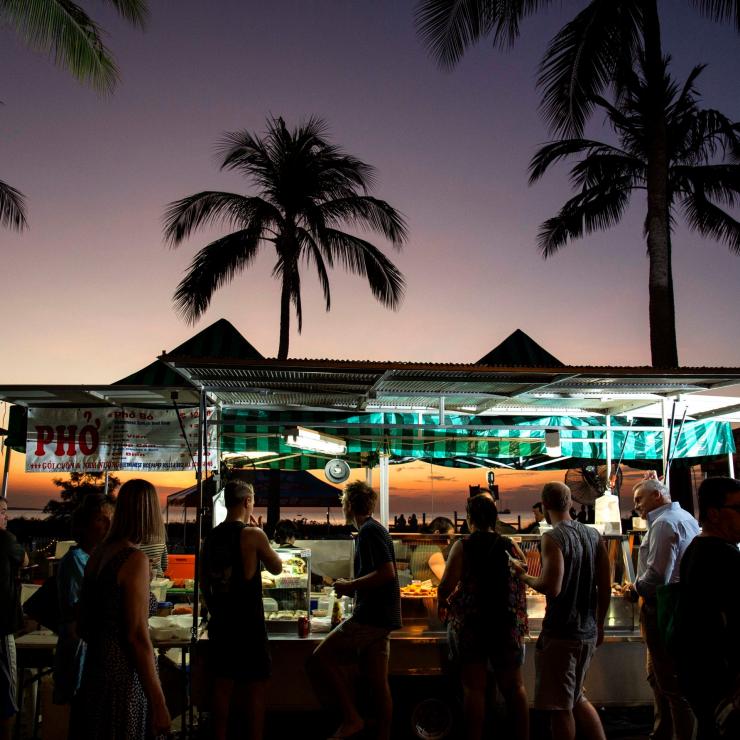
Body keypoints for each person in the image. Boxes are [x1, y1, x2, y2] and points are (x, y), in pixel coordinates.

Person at [70, 479, 170, 740]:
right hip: (125, 675)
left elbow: (82, 622)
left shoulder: (98, 554)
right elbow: (137, 636)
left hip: (96, 670)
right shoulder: (134, 559)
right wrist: (159, 703)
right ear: (149, 513)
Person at [512, 482, 610, 740]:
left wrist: (524, 576)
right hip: (587, 632)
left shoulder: (552, 536)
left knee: (560, 708)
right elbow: (605, 585)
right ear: (571, 503)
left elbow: (551, 587)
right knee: (576, 697)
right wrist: (600, 625)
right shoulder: (593, 535)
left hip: (561, 634)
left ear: (544, 507)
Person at [309, 481, 401, 740]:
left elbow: (386, 573)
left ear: (349, 505)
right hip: (383, 618)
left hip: (371, 617)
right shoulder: (374, 530)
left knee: (320, 657)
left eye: (343, 503)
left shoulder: (370, 531)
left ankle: (351, 718)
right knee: (378, 683)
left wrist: (350, 586)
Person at [438, 494, 529, 740]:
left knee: (474, 689)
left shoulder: (463, 545)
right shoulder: (509, 544)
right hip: (506, 624)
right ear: (494, 519)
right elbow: (524, 571)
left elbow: (446, 585)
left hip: (473, 626)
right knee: (514, 688)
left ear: (469, 519)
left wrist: (441, 602)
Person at [200, 480, 282, 740]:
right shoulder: (252, 534)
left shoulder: (210, 537)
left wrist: (216, 610)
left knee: (222, 687)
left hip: (221, 622)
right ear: (247, 501)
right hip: (249, 626)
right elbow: (277, 567)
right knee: (255, 688)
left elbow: (203, 583)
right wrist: (262, 536)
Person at [625, 477, 699, 740]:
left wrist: (634, 589)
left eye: (639, 500)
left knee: (671, 685)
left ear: (657, 495)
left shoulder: (664, 524)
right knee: (657, 677)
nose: (636, 507)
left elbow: (657, 576)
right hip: (676, 605)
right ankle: (663, 731)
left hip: (662, 607)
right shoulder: (684, 517)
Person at [675, 477, 740, 740]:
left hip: (697, 671)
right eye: (738, 509)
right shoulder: (724, 557)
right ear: (714, 514)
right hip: (721, 675)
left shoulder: (695, 549)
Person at [53, 494, 114, 706]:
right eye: (101, 519)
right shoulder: (76, 560)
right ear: (85, 525)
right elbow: (88, 605)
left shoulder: (95, 559)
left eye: (110, 519)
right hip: (79, 651)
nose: (108, 524)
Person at [0, 498, 27, 740]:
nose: (6, 517)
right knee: (6, 690)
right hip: (1, 626)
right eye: (3, 512)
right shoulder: (5, 539)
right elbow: (25, 559)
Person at [410, 516, 455, 585]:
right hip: (433, 593)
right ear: (437, 533)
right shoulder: (434, 550)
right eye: (447, 537)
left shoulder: (422, 546)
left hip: (421, 592)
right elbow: (448, 581)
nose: (448, 542)